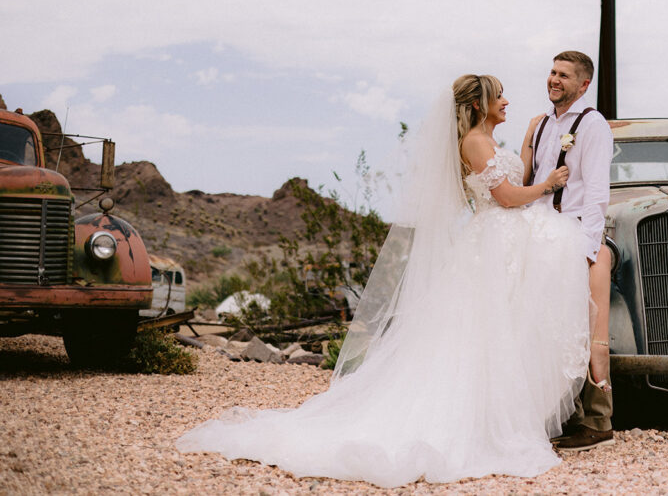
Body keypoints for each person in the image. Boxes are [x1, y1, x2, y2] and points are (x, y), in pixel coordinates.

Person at [176, 75, 592, 488]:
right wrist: (547, 185)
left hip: (501, 243)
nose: (506, 100)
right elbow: (504, 197)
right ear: (480, 104)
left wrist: (533, 140)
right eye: (499, 95)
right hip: (491, 243)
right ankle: (476, 424)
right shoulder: (474, 143)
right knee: (478, 336)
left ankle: (500, 414)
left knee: (498, 333)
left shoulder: (490, 142)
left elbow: (510, 181)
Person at [522, 50, 615, 451]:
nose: (554, 80)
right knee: (549, 324)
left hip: (574, 232)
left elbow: (596, 191)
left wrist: (590, 248)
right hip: (541, 232)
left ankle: (598, 422)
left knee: (586, 323)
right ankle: (564, 415)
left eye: (564, 75)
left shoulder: (592, 125)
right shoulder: (542, 125)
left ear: (583, 84)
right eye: (552, 72)